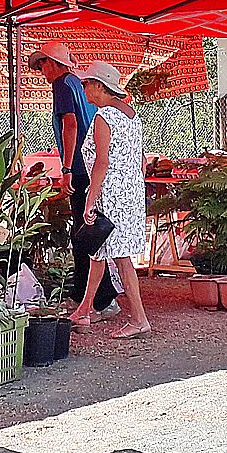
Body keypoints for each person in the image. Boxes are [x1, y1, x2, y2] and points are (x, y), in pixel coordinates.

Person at [28, 39, 120, 325]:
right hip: (89, 166)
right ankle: (85, 294)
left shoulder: (63, 86)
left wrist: (66, 167)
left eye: (44, 63)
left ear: (55, 64)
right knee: (85, 232)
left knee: (86, 234)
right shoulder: (77, 86)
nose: (42, 69)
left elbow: (71, 124)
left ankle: (101, 299)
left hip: (80, 168)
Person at [73, 61, 153, 340]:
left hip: (111, 193)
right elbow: (140, 160)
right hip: (130, 191)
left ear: (99, 86)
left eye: (86, 84)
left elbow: (101, 162)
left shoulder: (103, 117)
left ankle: (139, 319)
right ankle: (85, 309)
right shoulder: (132, 116)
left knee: (121, 257)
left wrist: (90, 199)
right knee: (100, 252)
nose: (83, 89)